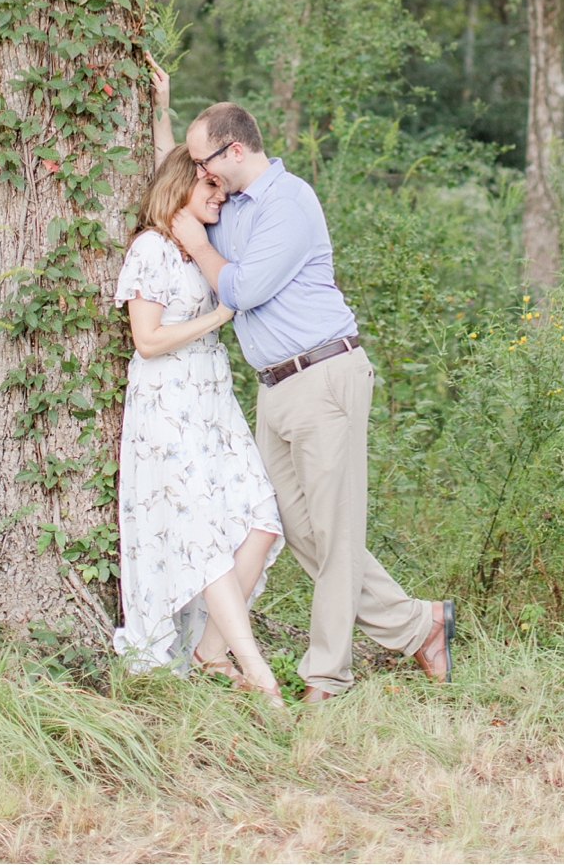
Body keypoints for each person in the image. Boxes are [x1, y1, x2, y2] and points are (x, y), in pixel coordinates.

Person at [169, 99, 455, 704]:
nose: (200, 176)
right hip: (273, 388)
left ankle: (326, 677)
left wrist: (195, 242)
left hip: (324, 374)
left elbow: (241, 288)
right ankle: (420, 625)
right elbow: (170, 184)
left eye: (205, 163)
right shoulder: (228, 206)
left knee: (335, 529)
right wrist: (160, 114)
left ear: (235, 151)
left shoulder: (289, 203)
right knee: (296, 530)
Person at [112, 126, 284, 705]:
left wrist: (161, 107)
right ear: (183, 186)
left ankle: (210, 654)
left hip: (213, 404)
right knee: (202, 538)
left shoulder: (199, 242)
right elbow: (148, 340)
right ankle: (257, 671)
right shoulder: (152, 249)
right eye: (209, 186)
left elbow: (174, 158)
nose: (219, 195)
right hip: (168, 407)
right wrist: (219, 317)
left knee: (261, 519)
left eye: (220, 185)